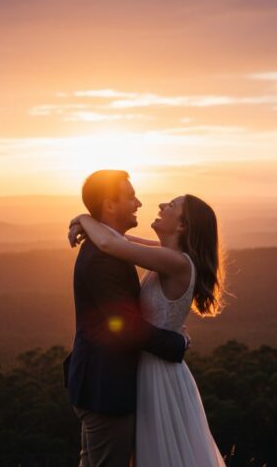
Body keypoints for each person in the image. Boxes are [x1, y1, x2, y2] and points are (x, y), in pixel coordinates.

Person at [68, 183, 227, 467]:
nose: (159, 205)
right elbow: (123, 242)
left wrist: (85, 218)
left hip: (154, 372)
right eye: (131, 197)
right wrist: (88, 220)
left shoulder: (175, 262)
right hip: (129, 375)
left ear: (181, 226)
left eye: (171, 206)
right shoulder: (169, 254)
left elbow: (112, 244)